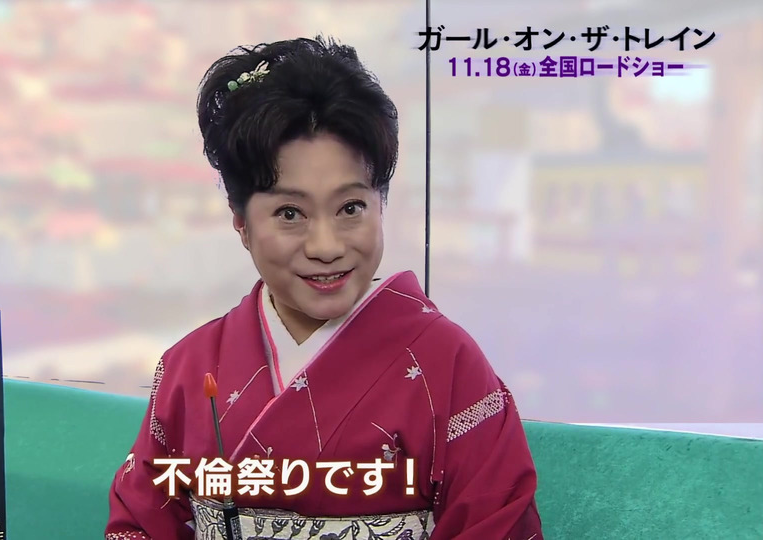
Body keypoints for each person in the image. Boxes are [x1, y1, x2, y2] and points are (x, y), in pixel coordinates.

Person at [106, 36, 542, 539]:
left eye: (350, 208)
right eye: (289, 213)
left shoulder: (449, 365)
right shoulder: (190, 367)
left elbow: (496, 524)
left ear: (381, 203)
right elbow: (140, 522)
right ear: (240, 222)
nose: (326, 246)